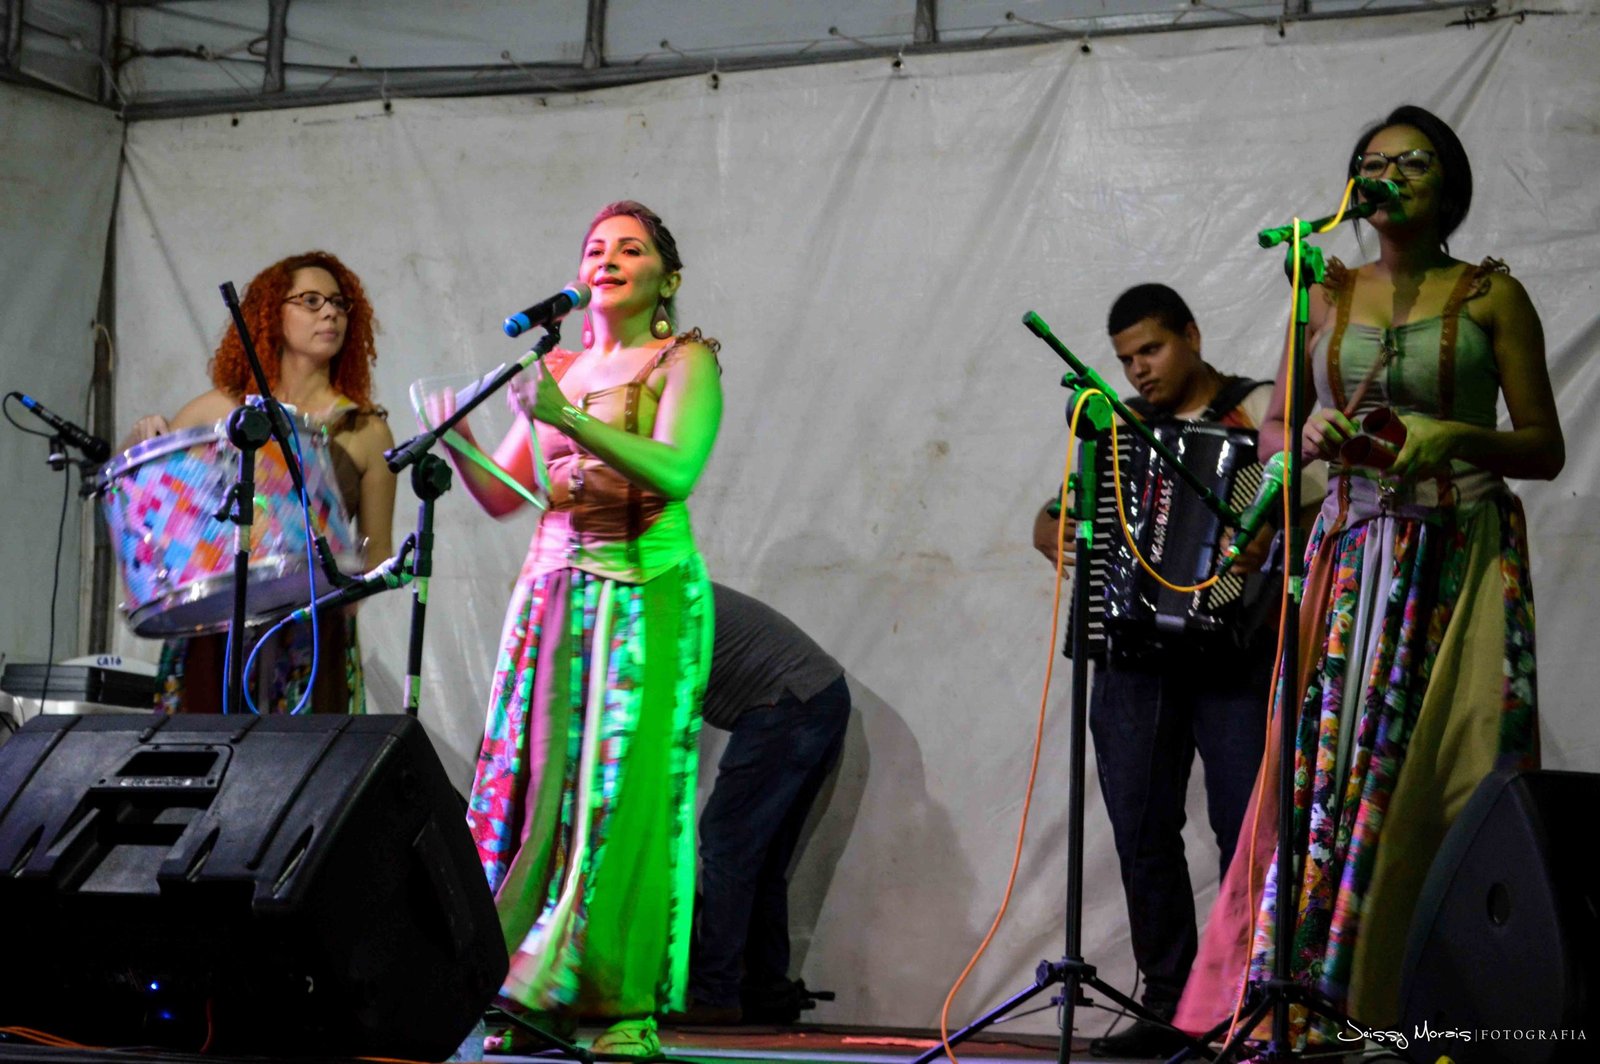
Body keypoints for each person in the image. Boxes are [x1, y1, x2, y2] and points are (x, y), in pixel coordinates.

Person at [1175, 105, 1563, 1046]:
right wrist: (1299, 437)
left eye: (1412, 163)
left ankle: (1435, 1006)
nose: (1388, 176)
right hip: (1350, 560)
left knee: (1449, 771)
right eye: (1372, 163)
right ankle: (1320, 998)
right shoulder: (1325, 291)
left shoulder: (1492, 296)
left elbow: (1543, 447)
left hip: (1457, 555)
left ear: (1449, 185)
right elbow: (1275, 432)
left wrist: (1454, 434)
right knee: (1330, 773)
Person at [441, 201, 722, 1060]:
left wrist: (567, 419)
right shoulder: (556, 365)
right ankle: (538, 994)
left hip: (644, 594)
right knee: (537, 791)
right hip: (553, 592)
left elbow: (676, 469)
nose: (608, 258)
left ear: (666, 279)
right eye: (596, 247)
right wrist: (458, 439)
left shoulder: (686, 360)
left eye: (630, 248)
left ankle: (624, 1007)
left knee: (622, 796)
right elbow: (506, 496)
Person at [1031, 284, 1293, 1058]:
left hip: (1234, 650)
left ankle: (1249, 999)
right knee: (1142, 827)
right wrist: (1049, 529)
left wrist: (1265, 537)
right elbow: (1059, 510)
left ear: (1192, 335)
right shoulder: (1116, 428)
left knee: (1245, 827)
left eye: (1152, 349)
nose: (1139, 370)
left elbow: (1307, 506)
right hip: (1133, 654)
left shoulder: (1260, 409)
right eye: (1126, 359)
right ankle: (1168, 1001)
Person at [123, 250, 396, 714]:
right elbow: (152, 515)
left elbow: (379, 554)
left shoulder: (367, 430)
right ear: (272, 315)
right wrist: (139, 442)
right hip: (218, 627)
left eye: (338, 303)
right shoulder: (216, 411)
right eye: (310, 301)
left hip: (312, 632)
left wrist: (341, 596)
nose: (330, 312)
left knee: (307, 758)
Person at [669, 582, 850, 1027]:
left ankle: (716, 993)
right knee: (758, 856)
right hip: (817, 694)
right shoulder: (667, 584)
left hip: (790, 699)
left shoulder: (648, 598)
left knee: (726, 842)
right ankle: (766, 989)